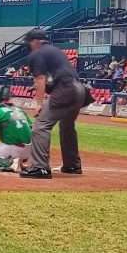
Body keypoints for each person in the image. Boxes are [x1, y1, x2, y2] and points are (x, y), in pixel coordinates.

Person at [20, 29, 89, 179]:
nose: (29, 46)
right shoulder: (54, 51)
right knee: (67, 126)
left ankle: (40, 167)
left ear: (36, 42)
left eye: (30, 43)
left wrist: (38, 104)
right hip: (80, 90)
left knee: (40, 126)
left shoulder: (37, 54)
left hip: (67, 89)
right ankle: (72, 165)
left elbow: (40, 79)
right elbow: (56, 77)